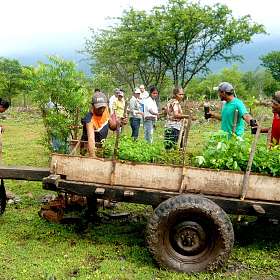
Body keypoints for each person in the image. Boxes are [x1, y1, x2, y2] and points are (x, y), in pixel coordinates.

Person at [81, 91, 118, 157]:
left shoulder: (105, 111)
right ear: (93, 106)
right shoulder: (89, 119)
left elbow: (112, 127)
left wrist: (119, 123)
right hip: (88, 148)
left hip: (101, 147)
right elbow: (91, 139)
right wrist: (93, 157)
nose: (101, 110)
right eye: (99, 108)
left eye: (103, 107)